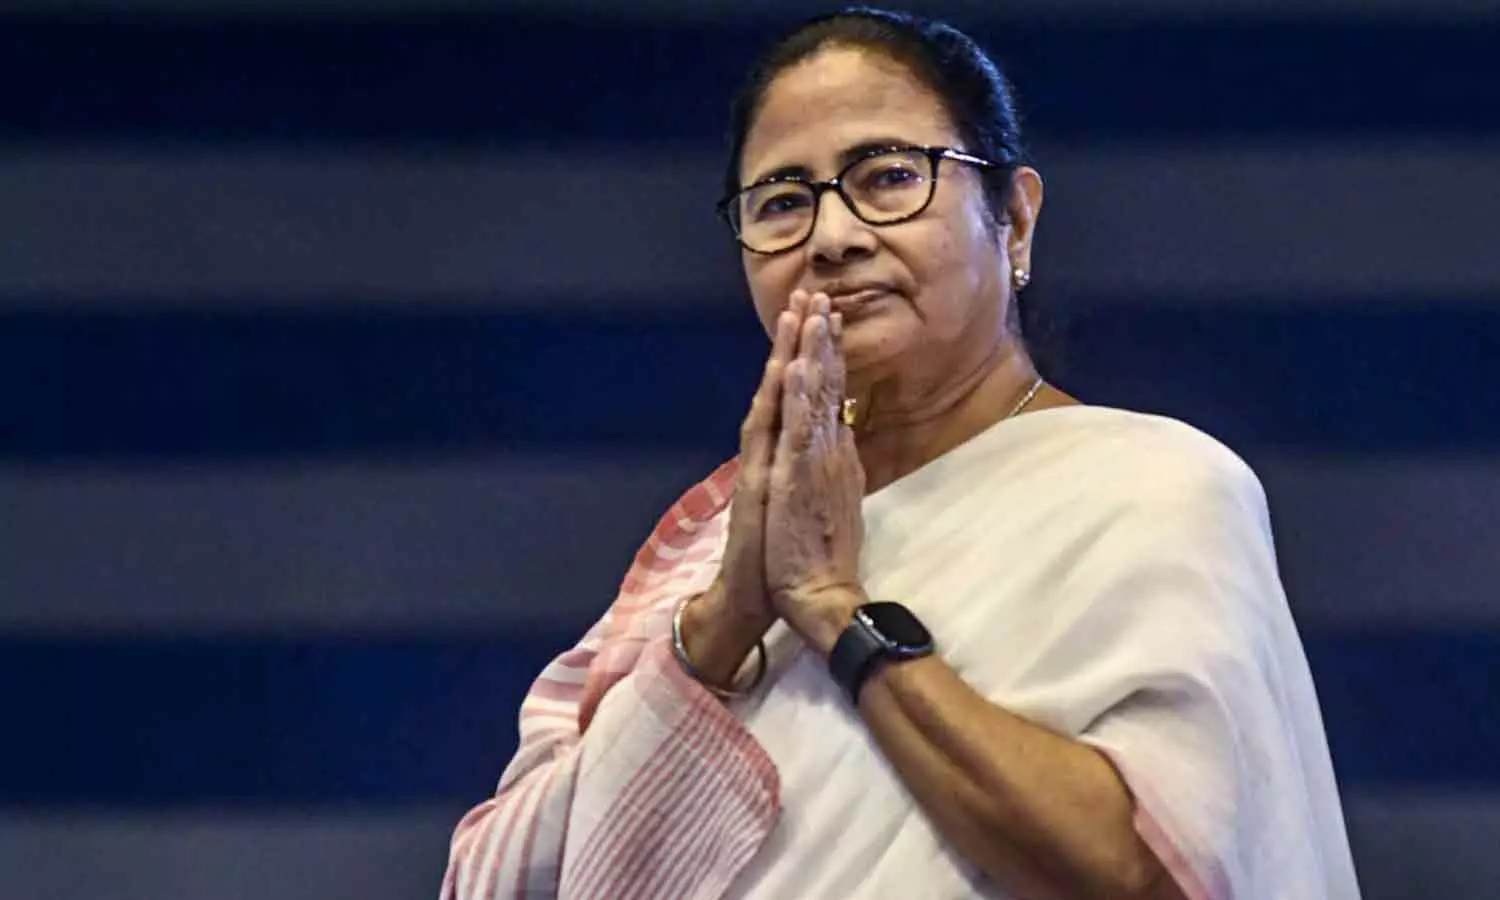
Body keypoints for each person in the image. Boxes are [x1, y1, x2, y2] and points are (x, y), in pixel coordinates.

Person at [440, 7, 1361, 899]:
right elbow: (493, 884)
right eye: (784, 202)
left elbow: (1139, 869)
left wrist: (833, 610)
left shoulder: (1149, 487)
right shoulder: (709, 557)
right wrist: (725, 623)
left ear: (1016, 220)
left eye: (888, 177)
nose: (832, 238)